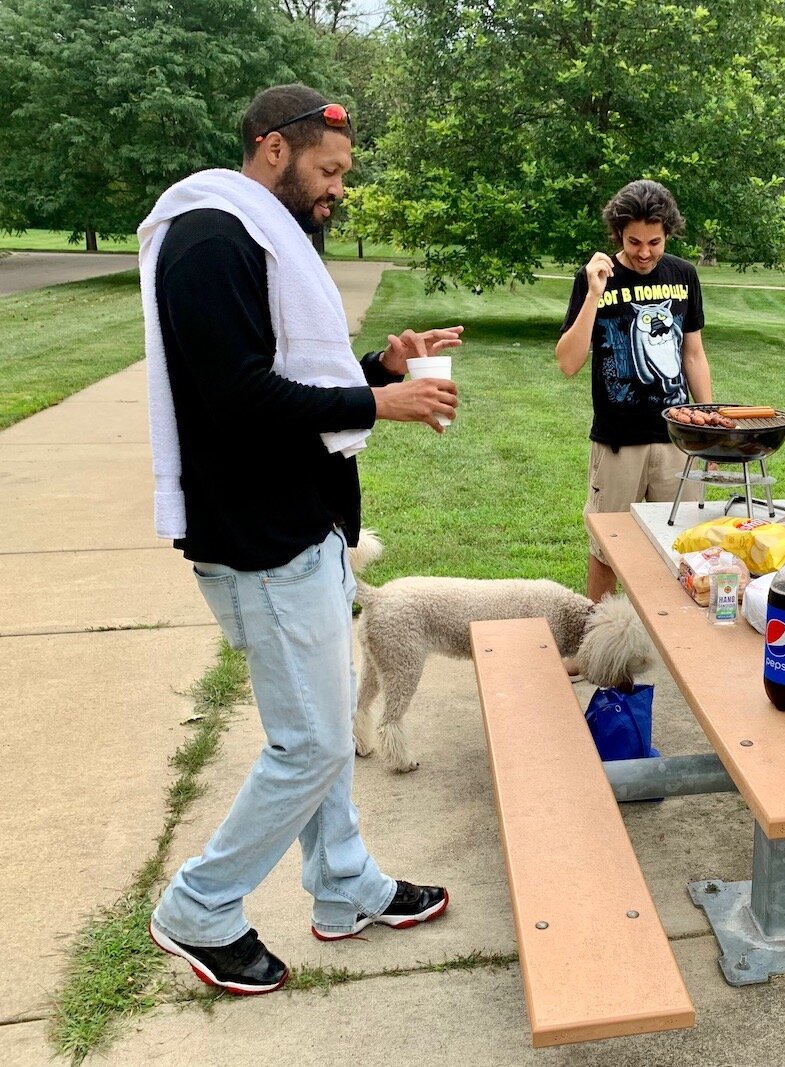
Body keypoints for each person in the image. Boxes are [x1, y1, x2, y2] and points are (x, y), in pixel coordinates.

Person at [138, 84, 459, 994]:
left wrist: (376, 369)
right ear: (272, 149)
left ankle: (345, 885)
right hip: (256, 540)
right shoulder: (209, 240)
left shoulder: (267, 237)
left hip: (302, 527)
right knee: (311, 744)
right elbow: (237, 400)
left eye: (344, 174)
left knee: (316, 731)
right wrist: (377, 403)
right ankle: (198, 907)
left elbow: (287, 379)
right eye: (329, 170)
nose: (339, 189)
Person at [556, 179, 712, 603]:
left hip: (677, 441)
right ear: (618, 235)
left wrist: (708, 429)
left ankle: (671, 647)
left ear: (669, 233)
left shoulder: (683, 275)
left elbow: (693, 355)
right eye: (634, 241)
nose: (645, 253)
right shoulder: (595, 279)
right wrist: (593, 294)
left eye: (655, 242)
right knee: (606, 548)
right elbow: (569, 362)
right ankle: (597, 648)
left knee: (681, 548)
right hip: (617, 441)